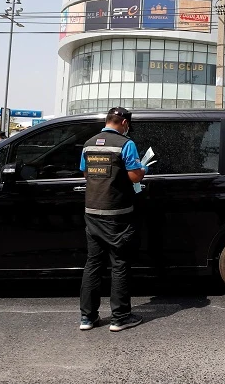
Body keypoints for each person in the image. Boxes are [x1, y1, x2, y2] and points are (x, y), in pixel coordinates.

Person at [78, 107, 146, 333]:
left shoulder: (88, 144)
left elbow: (87, 174)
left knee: (93, 264)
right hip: (117, 214)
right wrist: (143, 168)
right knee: (119, 264)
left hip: (92, 212)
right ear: (124, 123)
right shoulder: (125, 144)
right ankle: (120, 317)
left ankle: (87, 318)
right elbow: (135, 175)